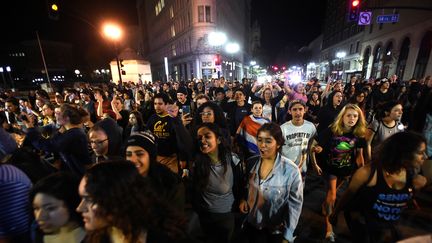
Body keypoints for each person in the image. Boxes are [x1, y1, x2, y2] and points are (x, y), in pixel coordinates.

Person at [330, 132, 428, 243]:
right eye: (420, 153)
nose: (425, 157)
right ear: (404, 153)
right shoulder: (367, 173)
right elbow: (348, 195)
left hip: (388, 229)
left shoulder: (414, 178)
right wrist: (334, 214)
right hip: (364, 227)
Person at [76, 161, 191, 243]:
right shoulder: (96, 238)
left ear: (116, 198)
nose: (80, 208)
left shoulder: (168, 236)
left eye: (89, 199)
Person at [239, 123, 303, 243]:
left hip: (275, 230)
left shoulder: (291, 171)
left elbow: (295, 206)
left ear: (278, 143)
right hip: (251, 224)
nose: (262, 145)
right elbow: (246, 186)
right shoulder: (251, 163)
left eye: (268, 141)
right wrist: (244, 199)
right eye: (259, 140)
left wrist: (287, 236)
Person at [314, 103, 368, 242]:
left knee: (332, 194)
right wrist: (318, 148)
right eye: (348, 115)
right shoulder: (333, 129)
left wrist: (362, 171)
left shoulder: (359, 134)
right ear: (342, 116)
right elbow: (318, 143)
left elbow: (359, 155)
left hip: (346, 170)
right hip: (331, 168)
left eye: (355, 116)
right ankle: (329, 230)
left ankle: (325, 206)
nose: (352, 118)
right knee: (332, 195)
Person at [191, 123, 244, 243]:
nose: (202, 140)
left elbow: (240, 183)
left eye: (207, 136)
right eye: (199, 138)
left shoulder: (232, 159)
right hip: (205, 215)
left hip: (226, 214)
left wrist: (242, 199)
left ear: (219, 140)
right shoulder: (197, 162)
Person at [24, 104, 92, 177]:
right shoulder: (70, 131)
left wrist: (30, 127)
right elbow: (53, 140)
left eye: (58, 113)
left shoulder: (74, 134)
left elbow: (47, 146)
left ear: (67, 118)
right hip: (71, 171)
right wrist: (59, 132)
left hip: (78, 175)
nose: (55, 115)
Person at [125, 131, 185, 210]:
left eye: (139, 154)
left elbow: (175, 217)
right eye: (129, 154)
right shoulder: (123, 180)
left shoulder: (170, 183)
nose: (133, 160)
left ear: (151, 157)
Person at [30, 172, 85, 243]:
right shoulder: (39, 234)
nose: (39, 217)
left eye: (50, 208)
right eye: (36, 208)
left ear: (71, 204)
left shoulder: (93, 236)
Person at [280, 100, 319, 180]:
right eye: (294, 109)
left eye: (300, 109)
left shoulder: (311, 127)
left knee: (300, 190)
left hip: (302, 167)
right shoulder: (283, 128)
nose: (298, 112)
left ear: (305, 110)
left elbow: (313, 145)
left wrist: (315, 162)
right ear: (289, 111)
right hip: (286, 167)